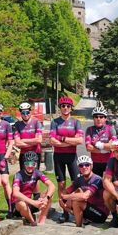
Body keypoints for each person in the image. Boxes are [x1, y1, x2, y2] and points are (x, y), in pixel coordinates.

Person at [49, 96, 84, 224]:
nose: (65, 108)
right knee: (61, 184)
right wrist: (70, 142)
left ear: (71, 108)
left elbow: (79, 140)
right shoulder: (54, 122)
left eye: (68, 106)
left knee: (77, 184)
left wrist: (62, 139)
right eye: (63, 106)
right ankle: (64, 212)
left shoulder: (76, 122)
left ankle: (77, 209)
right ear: (60, 108)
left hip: (72, 156)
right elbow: (52, 141)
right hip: (58, 156)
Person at [60, 155, 109, 227]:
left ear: (91, 166)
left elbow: (85, 196)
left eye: (87, 165)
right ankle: (82, 219)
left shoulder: (97, 179)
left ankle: (78, 226)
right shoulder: (79, 179)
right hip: (88, 208)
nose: (84, 167)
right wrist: (63, 200)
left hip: (100, 213)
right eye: (81, 165)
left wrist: (66, 197)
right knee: (74, 195)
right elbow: (66, 192)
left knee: (77, 201)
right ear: (78, 168)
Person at [12, 151, 55, 226]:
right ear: (24, 164)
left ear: (36, 164)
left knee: (49, 194)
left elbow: (52, 185)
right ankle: (32, 221)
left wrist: (46, 199)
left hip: (30, 203)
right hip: (19, 205)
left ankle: (42, 220)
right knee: (22, 204)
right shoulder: (18, 175)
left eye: (33, 164)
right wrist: (33, 202)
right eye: (27, 163)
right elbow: (15, 193)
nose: (30, 166)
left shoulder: (37, 172)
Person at [85, 106, 116, 177]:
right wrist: (104, 150)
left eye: (101, 117)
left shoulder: (110, 129)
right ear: (93, 118)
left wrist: (98, 144)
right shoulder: (89, 130)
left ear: (105, 118)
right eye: (96, 117)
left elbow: (113, 146)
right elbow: (88, 148)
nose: (98, 119)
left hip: (109, 162)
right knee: (96, 183)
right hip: (95, 162)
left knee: (107, 182)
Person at [13, 102, 43, 169]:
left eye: (27, 112)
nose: (25, 115)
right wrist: (33, 143)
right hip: (23, 154)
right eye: (23, 113)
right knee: (23, 174)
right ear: (21, 114)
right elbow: (17, 143)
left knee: (35, 174)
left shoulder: (36, 123)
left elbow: (39, 140)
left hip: (36, 153)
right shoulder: (17, 125)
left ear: (30, 112)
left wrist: (23, 140)